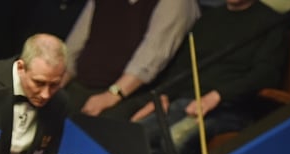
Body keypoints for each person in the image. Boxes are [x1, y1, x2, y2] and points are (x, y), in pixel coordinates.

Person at [130, 0, 286, 154]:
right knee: (136, 136)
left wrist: (217, 96)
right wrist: (164, 95)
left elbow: (265, 75)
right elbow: (182, 66)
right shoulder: (208, 20)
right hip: (187, 103)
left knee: (175, 140)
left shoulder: (271, 22)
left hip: (231, 109)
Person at [62, 0, 199, 119]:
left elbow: (152, 58)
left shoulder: (176, 3)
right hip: (83, 83)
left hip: (130, 94)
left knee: (95, 127)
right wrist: (58, 80)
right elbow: (75, 43)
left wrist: (112, 95)